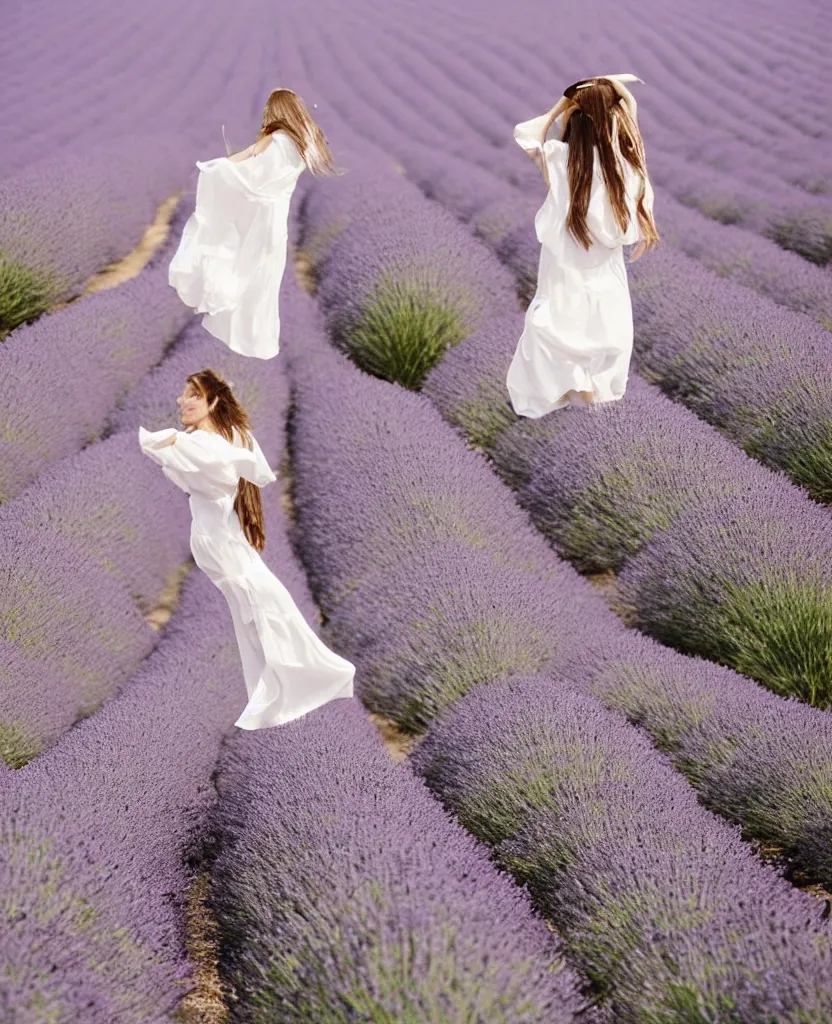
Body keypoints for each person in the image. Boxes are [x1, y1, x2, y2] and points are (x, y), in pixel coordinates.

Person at [138, 369, 355, 729]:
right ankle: (287, 688)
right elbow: (169, 451)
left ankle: (299, 684)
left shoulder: (216, 442)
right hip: (216, 542)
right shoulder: (200, 442)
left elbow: (217, 459)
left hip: (224, 541)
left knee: (262, 607)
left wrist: (178, 442)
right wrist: (177, 442)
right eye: (183, 394)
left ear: (213, 402)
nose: (182, 401)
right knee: (257, 610)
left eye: (193, 395)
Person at [507, 75, 659, 417]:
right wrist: (626, 105)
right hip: (603, 279)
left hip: (564, 275)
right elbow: (634, 144)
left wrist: (562, 102)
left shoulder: (562, 161)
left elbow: (527, 133)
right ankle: (597, 424)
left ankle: (587, 419)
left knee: (565, 348)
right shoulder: (625, 168)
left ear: (575, 117)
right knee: (599, 352)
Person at [169, 88, 336, 359]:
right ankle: (259, 343)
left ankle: (237, 341)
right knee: (264, 286)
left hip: (257, 225)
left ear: (277, 111)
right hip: (276, 229)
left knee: (236, 269)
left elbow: (244, 164)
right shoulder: (304, 144)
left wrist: (215, 169)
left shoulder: (275, 139)